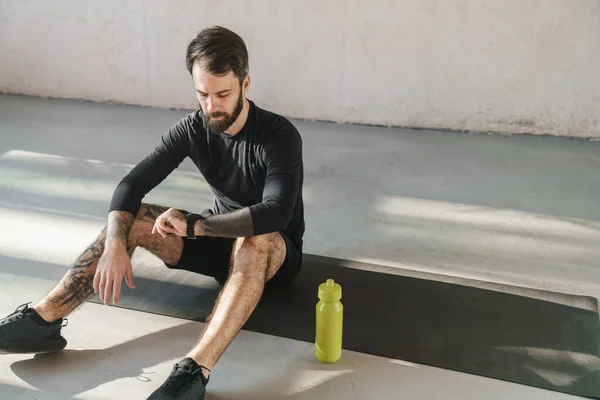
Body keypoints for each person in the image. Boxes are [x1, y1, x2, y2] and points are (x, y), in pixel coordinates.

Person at [0, 25, 305, 400]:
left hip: (274, 252)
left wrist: (195, 225)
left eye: (222, 94)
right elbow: (130, 186)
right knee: (134, 217)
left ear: (245, 83)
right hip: (218, 241)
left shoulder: (279, 135)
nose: (211, 106)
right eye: (202, 94)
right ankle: (43, 319)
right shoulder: (194, 127)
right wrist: (116, 242)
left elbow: (276, 213)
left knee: (255, 237)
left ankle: (195, 369)